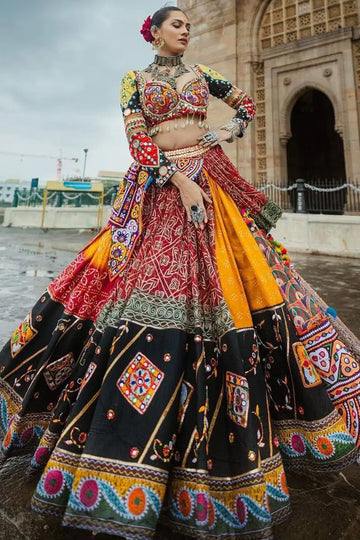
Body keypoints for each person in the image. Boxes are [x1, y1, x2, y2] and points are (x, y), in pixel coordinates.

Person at [0, 5, 360, 539]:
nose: (186, 30)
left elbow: (245, 105)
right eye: (178, 24)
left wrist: (223, 134)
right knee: (117, 288)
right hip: (159, 189)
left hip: (209, 179)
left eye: (191, 25)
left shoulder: (202, 76)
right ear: (155, 32)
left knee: (244, 285)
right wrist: (178, 178)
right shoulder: (135, 81)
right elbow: (136, 139)